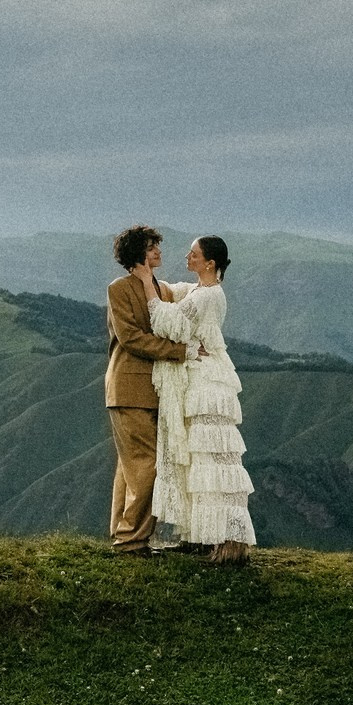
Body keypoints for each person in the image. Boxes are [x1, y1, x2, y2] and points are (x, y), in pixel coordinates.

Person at [146, 235, 255, 563]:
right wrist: (148, 274)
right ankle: (204, 536)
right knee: (200, 460)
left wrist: (143, 283)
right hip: (202, 379)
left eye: (193, 254)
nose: (187, 256)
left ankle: (228, 542)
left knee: (211, 459)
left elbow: (168, 321)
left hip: (206, 384)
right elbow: (174, 290)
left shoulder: (208, 296)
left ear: (209, 263)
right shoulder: (199, 291)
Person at [103, 225, 192, 554]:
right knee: (146, 465)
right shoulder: (119, 289)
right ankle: (131, 540)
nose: (157, 251)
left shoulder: (162, 289)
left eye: (157, 246)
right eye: (151, 247)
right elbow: (131, 339)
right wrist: (180, 351)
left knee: (131, 467)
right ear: (135, 252)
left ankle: (122, 532)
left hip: (156, 390)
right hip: (127, 387)